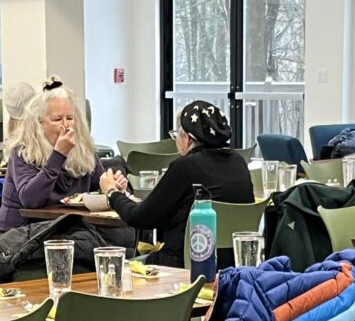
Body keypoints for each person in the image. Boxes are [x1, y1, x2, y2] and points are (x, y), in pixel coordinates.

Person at [98, 101, 254, 267]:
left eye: (176, 136)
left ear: (187, 138)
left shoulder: (186, 166)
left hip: (183, 266)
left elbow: (140, 218)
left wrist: (112, 193)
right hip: (234, 268)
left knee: (115, 267)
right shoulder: (239, 163)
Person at [0, 79, 105, 237]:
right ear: (39, 124)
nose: (66, 125)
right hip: (20, 237)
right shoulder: (23, 151)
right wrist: (58, 156)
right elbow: (31, 200)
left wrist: (113, 188)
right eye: (57, 119)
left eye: (70, 118)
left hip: (66, 232)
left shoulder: (82, 149)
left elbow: (99, 185)